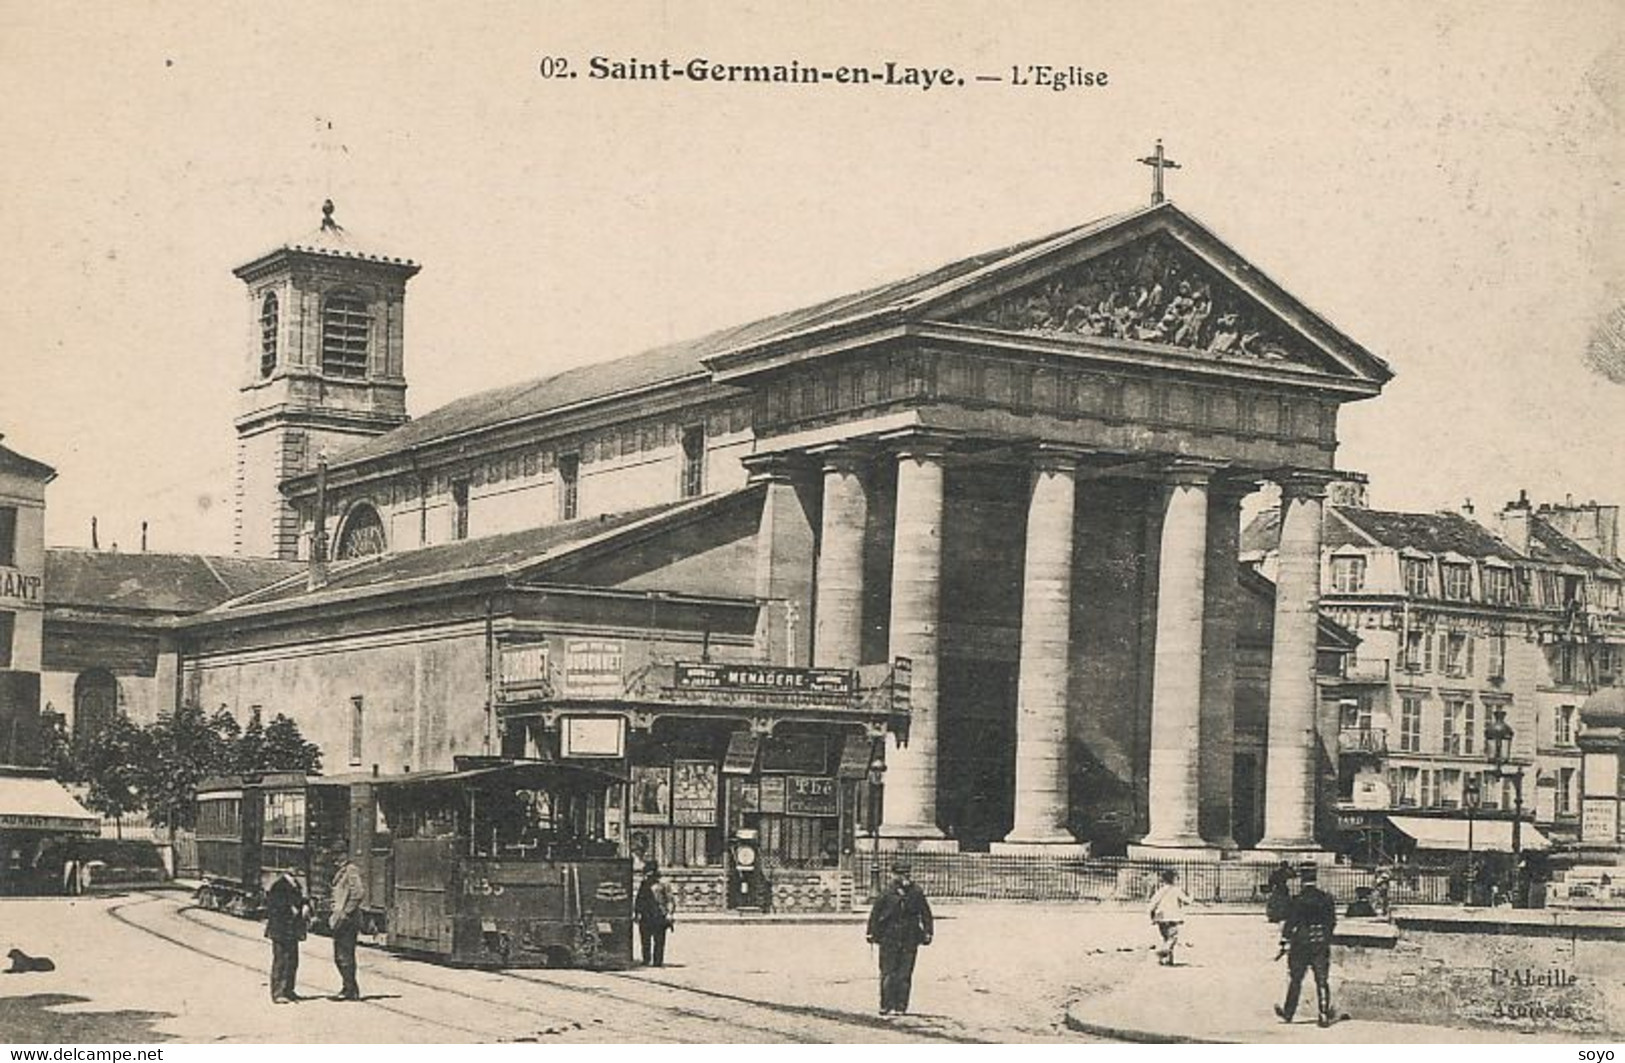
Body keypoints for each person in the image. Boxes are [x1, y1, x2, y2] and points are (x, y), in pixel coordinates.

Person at [866, 862, 934, 1016]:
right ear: (893, 875)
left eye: (907, 874)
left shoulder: (916, 892)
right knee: (888, 972)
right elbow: (875, 914)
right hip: (889, 937)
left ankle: (900, 1006)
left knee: (904, 974)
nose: (905, 877)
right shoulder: (887, 892)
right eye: (901, 874)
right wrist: (871, 933)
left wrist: (928, 932)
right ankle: (886, 1005)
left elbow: (926, 913)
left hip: (910, 937)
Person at [1275, 862, 1338, 1028]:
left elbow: (1290, 922)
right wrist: (1325, 937)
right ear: (1315, 878)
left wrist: (1285, 939)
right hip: (1320, 941)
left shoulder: (1298, 899)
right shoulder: (1326, 898)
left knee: (1296, 979)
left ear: (1302, 879)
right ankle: (1323, 1014)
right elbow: (1332, 922)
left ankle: (1289, 1013)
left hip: (1301, 942)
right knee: (1322, 980)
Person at [264, 869, 308, 1004]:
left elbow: (299, 902)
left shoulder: (295, 885)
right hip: (281, 930)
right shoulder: (279, 886)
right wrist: (292, 909)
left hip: (291, 930)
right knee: (281, 961)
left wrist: (304, 906)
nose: (298, 873)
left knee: (292, 961)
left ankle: (289, 990)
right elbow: (274, 908)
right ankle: (278, 992)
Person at [328, 845, 365, 1001]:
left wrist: (346, 912)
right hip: (341, 917)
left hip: (348, 920)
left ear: (344, 855)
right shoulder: (342, 871)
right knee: (340, 955)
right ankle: (349, 988)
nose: (335, 859)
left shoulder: (351, 870)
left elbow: (358, 893)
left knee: (344, 955)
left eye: (338, 855)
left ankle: (350, 990)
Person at [1148, 869, 1195, 966]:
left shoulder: (1160, 891)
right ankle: (1162, 953)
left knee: (1166, 938)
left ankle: (1168, 960)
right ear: (1173, 879)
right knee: (1172, 938)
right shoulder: (1176, 890)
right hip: (1172, 917)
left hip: (1161, 917)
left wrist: (1152, 915)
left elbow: (1153, 904)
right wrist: (1191, 896)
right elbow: (1187, 901)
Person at [634, 863, 675, 967]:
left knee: (659, 940)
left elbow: (670, 900)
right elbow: (639, 900)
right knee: (645, 939)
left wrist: (669, 913)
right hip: (646, 915)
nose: (648, 876)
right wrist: (637, 913)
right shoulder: (644, 884)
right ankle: (646, 959)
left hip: (659, 914)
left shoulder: (663, 884)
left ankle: (658, 961)